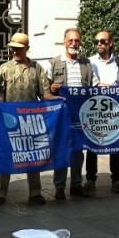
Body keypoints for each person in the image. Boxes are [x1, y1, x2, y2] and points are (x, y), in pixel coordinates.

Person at [0, 32, 60, 206]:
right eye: (13, 48)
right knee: (5, 153)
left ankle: (35, 192)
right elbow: (0, 92)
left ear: (27, 49)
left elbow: (44, 93)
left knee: (33, 154)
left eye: (19, 49)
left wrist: (58, 99)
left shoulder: (37, 68)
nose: (15, 52)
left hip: (31, 119)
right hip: (10, 119)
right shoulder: (4, 68)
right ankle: (0, 193)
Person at [48, 28, 98, 200]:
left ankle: (76, 185)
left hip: (81, 115)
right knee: (61, 149)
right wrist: (51, 88)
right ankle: (59, 187)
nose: (74, 44)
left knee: (78, 151)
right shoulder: (54, 63)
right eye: (71, 40)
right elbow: (44, 87)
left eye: (77, 40)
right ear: (64, 42)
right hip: (61, 114)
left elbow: (95, 86)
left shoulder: (86, 64)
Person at [84, 31, 119, 195]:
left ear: (111, 43)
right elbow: (91, 83)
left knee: (116, 144)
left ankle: (117, 179)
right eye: (96, 41)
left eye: (102, 41)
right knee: (92, 144)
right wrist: (105, 86)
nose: (99, 44)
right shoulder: (90, 61)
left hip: (114, 109)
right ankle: (90, 179)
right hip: (95, 109)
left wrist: (118, 88)